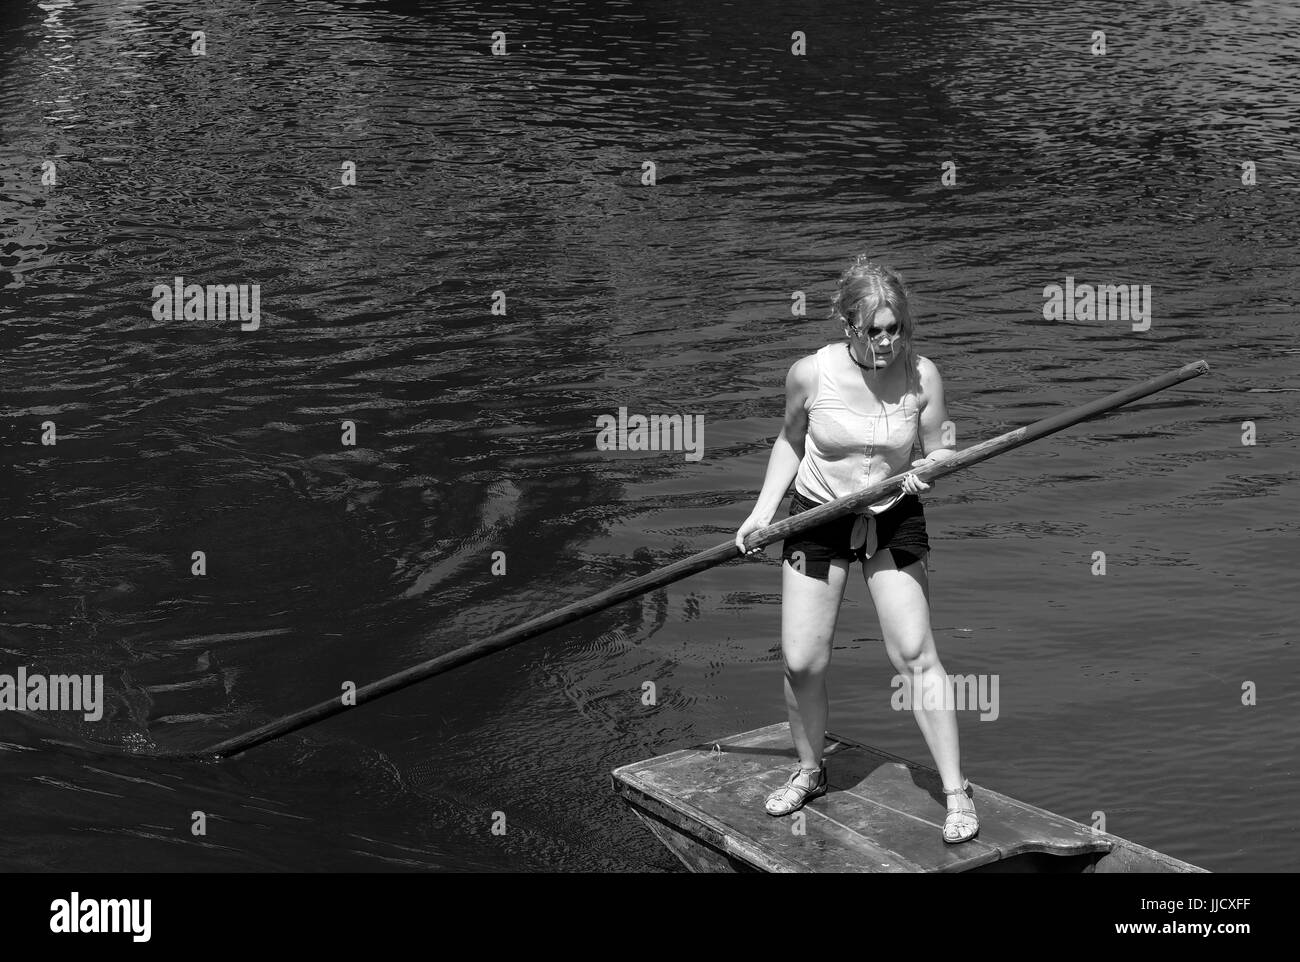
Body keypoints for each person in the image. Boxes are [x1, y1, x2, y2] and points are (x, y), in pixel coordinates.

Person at [733, 256, 977, 844]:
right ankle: (811, 771)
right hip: (818, 517)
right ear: (849, 327)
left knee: (917, 654)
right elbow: (791, 441)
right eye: (875, 331)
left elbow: (945, 447)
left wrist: (931, 469)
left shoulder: (924, 375)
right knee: (802, 662)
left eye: (897, 328)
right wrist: (763, 512)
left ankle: (955, 791)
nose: (888, 341)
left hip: (893, 514)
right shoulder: (809, 374)